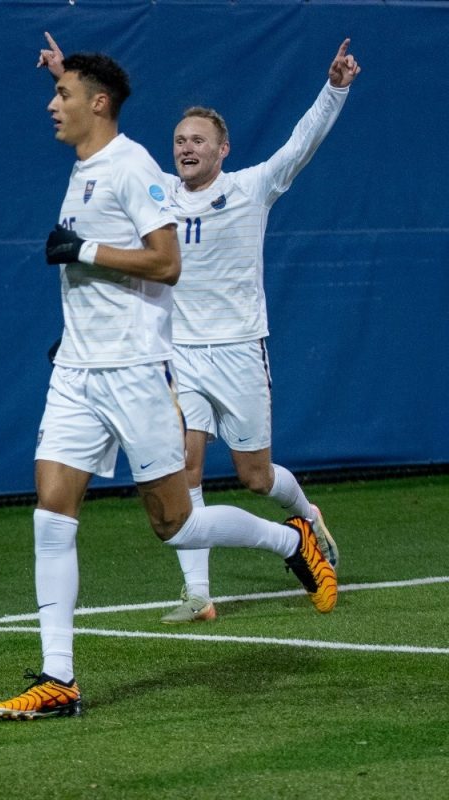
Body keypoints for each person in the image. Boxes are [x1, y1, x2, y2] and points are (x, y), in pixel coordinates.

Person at [0, 47, 337, 721]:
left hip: (138, 372)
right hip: (79, 372)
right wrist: (76, 327)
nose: (50, 104)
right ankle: (59, 677)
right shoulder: (85, 167)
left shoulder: (132, 169)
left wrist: (83, 251)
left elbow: (166, 262)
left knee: (174, 525)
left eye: (63, 93)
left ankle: (292, 542)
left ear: (97, 104)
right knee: (51, 513)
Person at [40, 34, 359, 624]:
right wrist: (66, 76)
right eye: (180, 139)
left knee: (255, 476)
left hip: (238, 350)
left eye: (198, 140)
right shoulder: (157, 192)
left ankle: (306, 517)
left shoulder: (250, 188)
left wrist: (334, 89)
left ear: (222, 149)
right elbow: (99, 151)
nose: (186, 148)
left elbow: (300, 144)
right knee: (185, 471)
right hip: (178, 355)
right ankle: (197, 594)